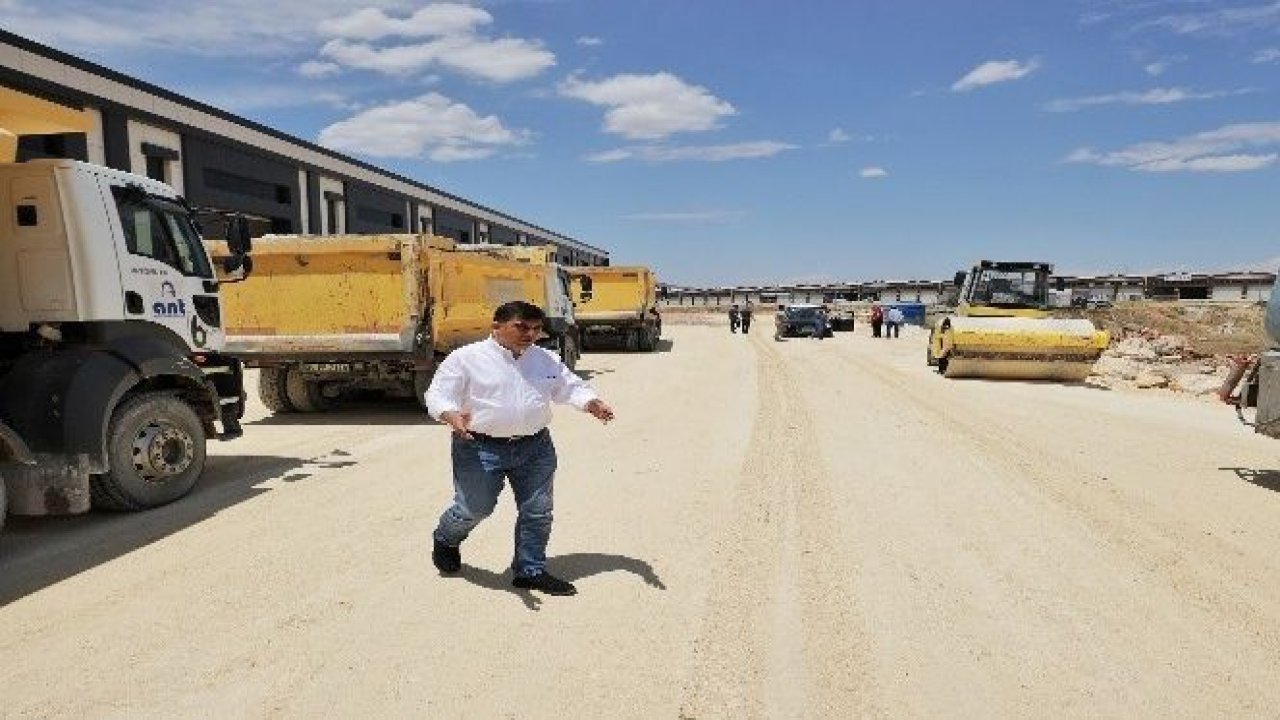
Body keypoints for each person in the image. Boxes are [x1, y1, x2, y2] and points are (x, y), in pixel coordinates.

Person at [426, 300, 615, 597]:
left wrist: (591, 402)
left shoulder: (545, 359)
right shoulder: (465, 359)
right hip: (479, 447)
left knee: (538, 511)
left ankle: (530, 570)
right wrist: (451, 415)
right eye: (522, 327)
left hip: (535, 447)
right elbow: (438, 395)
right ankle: (446, 537)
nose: (530, 334)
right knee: (475, 507)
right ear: (496, 326)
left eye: (536, 329)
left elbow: (569, 386)